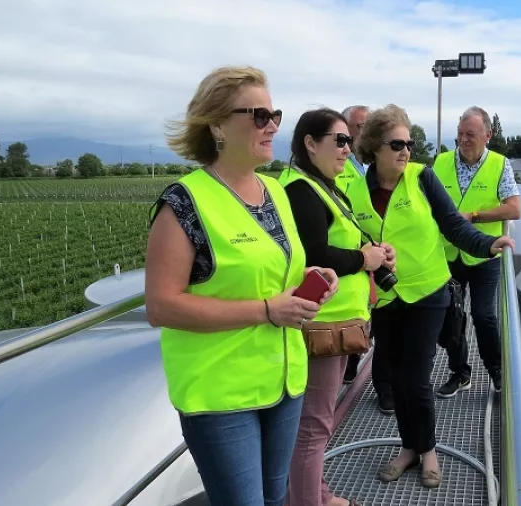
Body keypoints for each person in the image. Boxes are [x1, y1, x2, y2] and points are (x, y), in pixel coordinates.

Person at [144, 65, 339, 506]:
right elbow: (162, 306)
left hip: (285, 383)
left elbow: (278, 273)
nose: (272, 125)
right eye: (257, 115)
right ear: (216, 124)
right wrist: (268, 310)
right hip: (220, 396)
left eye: (275, 115)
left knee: (275, 499)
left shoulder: (275, 192)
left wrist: (314, 280)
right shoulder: (184, 203)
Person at [345, 104, 515, 488]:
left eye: (410, 142)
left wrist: (488, 244)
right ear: (374, 147)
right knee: (397, 376)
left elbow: (453, 224)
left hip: (429, 293)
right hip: (386, 300)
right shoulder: (353, 190)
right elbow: (350, 241)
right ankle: (409, 447)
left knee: (417, 377)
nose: (406, 150)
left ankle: (429, 451)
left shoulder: (422, 177)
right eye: (397, 143)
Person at [279, 107, 394, 506]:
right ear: (310, 144)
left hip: (332, 323)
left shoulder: (320, 185)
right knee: (313, 427)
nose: (349, 148)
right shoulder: (301, 191)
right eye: (339, 140)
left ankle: (317, 493)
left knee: (315, 425)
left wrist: (373, 253)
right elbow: (316, 255)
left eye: (350, 140)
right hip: (320, 326)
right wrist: (364, 260)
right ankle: (309, 501)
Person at [434, 106, 521, 398]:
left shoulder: (500, 165)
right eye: (460, 134)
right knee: (452, 316)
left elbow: (514, 208)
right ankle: (460, 373)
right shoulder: (441, 163)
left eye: (470, 134)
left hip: (486, 253)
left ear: (488, 135)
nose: (464, 140)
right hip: (449, 255)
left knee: (484, 315)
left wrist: (473, 216)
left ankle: (496, 373)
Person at [338, 105, 395, 415]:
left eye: (367, 126)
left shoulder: (376, 163)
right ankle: (349, 364)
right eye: (357, 126)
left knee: (382, 323)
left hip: (380, 255)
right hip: (355, 257)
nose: (361, 132)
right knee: (359, 317)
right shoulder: (337, 164)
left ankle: (383, 388)